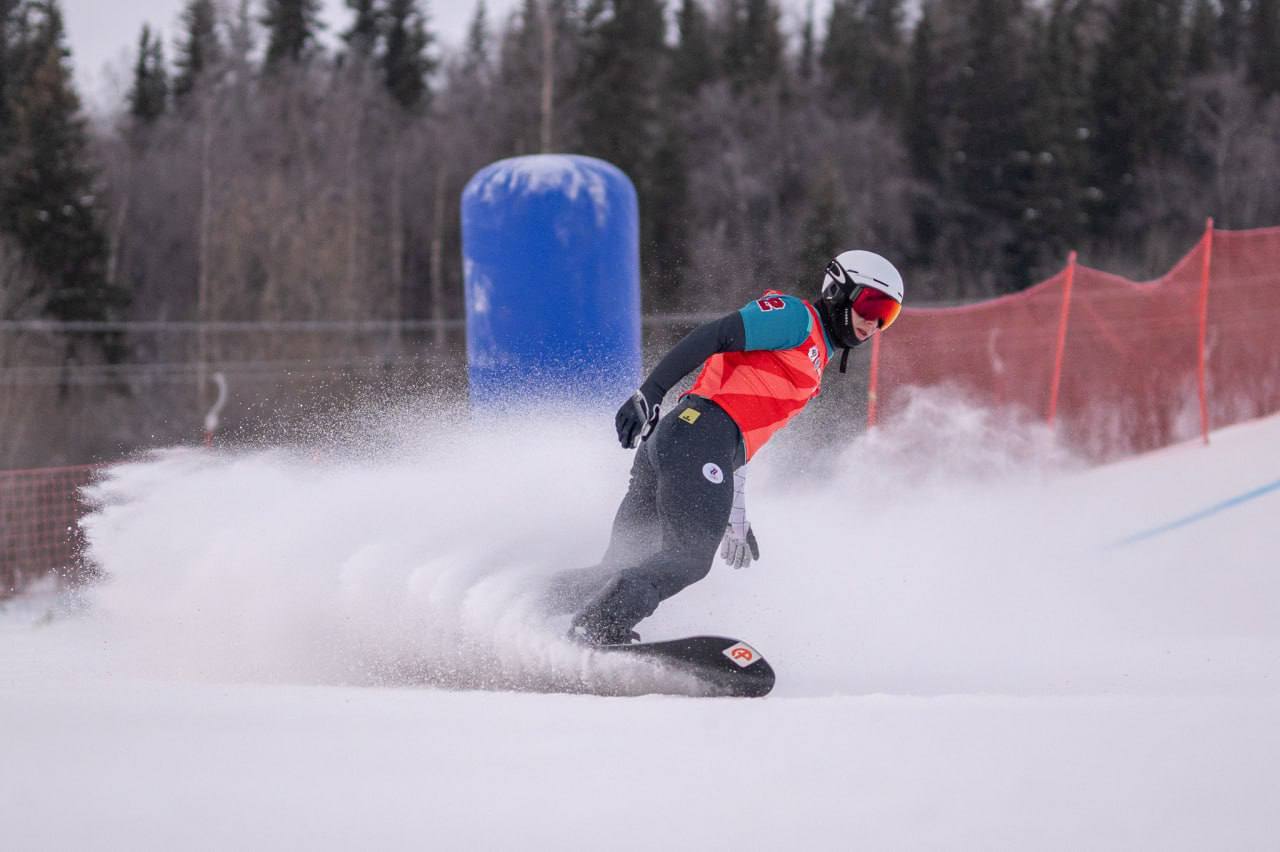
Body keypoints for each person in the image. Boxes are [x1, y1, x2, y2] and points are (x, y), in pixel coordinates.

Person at [565, 250, 905, 645]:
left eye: (888, 315)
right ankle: (598, 628)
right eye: (871, 304)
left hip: (689, 442)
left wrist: (735, 510)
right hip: (697, 435)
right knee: (688, 556)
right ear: (837, 290)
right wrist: (650, 392)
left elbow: (742, 440)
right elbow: (715, 334)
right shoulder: (796, 319)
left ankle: (514, 608)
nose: (874, 322)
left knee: (621, 564)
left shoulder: (815, 362)